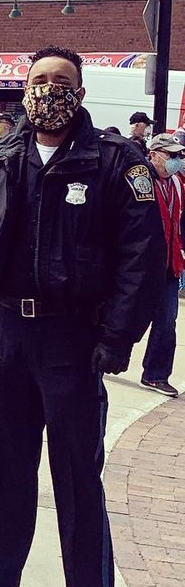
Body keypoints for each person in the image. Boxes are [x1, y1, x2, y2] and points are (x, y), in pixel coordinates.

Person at [0, 46, 163, 587]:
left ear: (81, 92)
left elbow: (141, 259)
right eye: (39, 81)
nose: (48, 91)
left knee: (76, 477)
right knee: (5, 468)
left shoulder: (119, 164)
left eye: (60, 82)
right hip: (8, 333)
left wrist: (118, 337)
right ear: (25, 90)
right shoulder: (1, 155)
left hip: (73, 341)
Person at [139, 132, 185, 396]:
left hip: (169, 264)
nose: (176, 161)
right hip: (140, 265)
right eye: (171, 155)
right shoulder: (139, 181)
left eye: (179, 155)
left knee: (167, 321)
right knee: (120, 317)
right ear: (154, 155)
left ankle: (156, 374)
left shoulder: (178, 183)